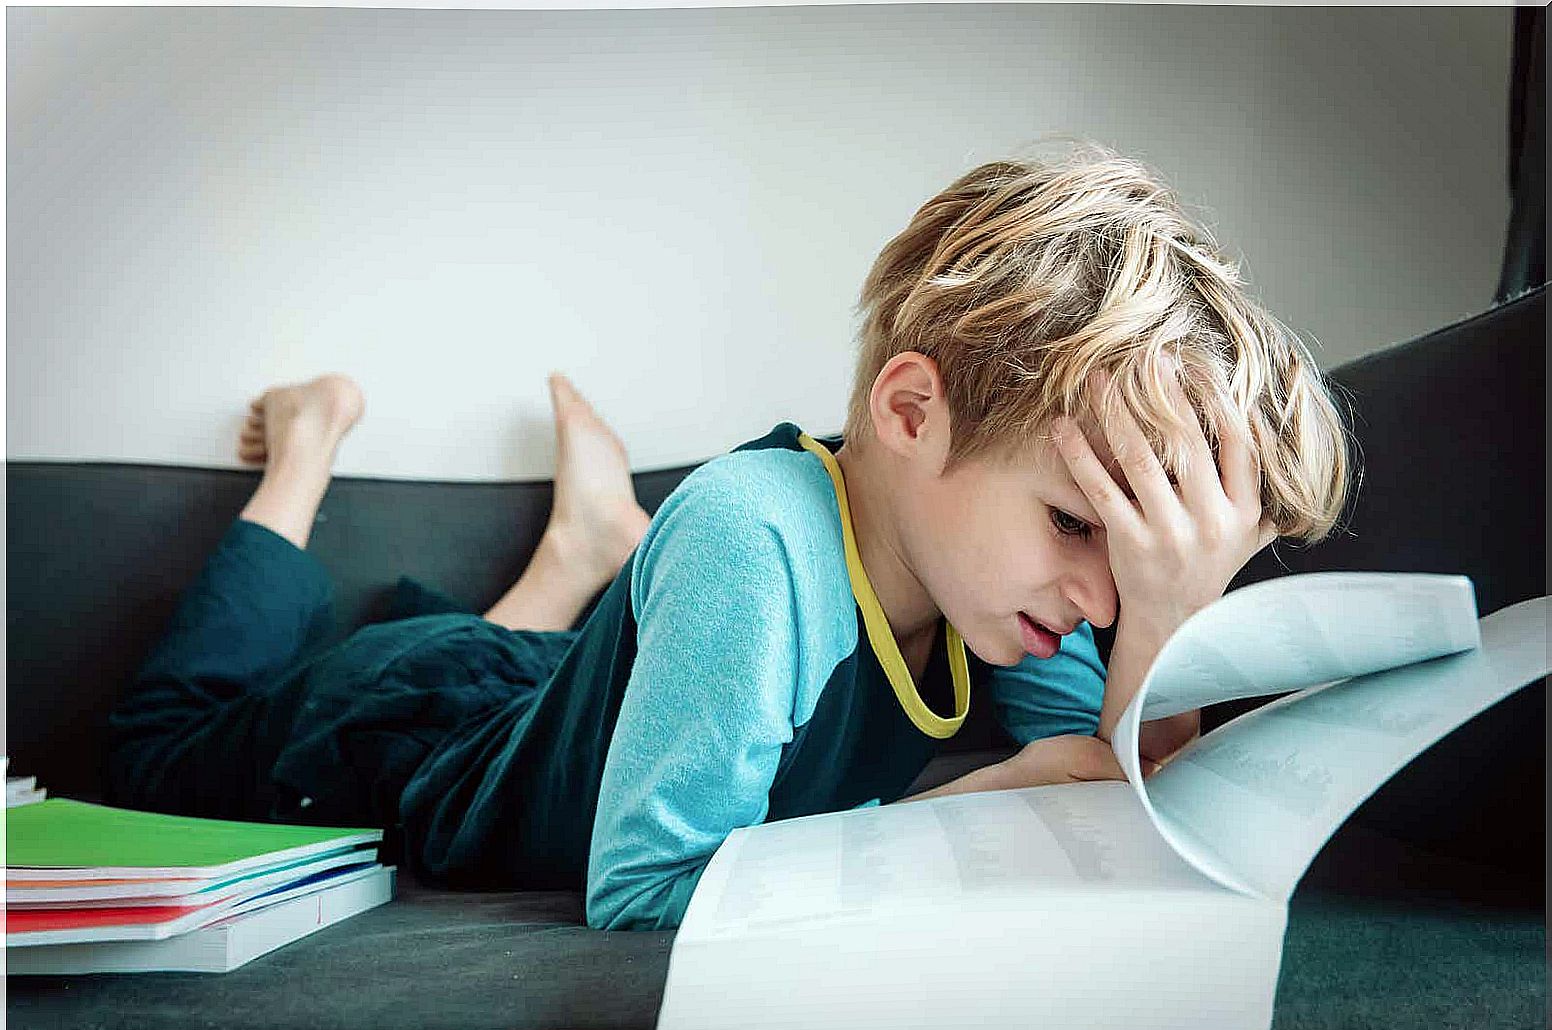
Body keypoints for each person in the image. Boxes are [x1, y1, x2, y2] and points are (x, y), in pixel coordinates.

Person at [105, 140, 1352, 931]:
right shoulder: (753, 542)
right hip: (395, 729)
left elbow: (1126, 812)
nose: (1098, 593)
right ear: (910, 409)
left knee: (536, 690)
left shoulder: (1019, 588)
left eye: (1125, 563)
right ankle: (314, 444)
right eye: (1080, 523)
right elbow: (642, 892)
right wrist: (960, 808)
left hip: (575, 700)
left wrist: (1174, 612)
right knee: (150, 749)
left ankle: (584, 562)